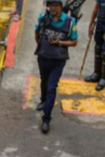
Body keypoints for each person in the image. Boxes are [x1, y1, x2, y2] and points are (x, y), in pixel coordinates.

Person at [34, 0, 78, 135]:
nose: (52, 8)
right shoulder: (43, 18)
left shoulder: (70, 22)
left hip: (58, 61)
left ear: (61, 6)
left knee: (52, 87)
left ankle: (46, 119)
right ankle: (43, 100)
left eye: (55, 5)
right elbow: (37, 34)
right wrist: (43, 48)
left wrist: (59, 42)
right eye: (50, 5)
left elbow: (74, 42)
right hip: (43, 57)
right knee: (44, 81)